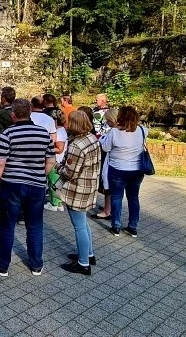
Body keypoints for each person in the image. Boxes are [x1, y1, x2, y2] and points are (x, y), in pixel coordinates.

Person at [0, 99, 55, 277]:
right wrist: (39, 175)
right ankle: (36, 264)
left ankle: (2, 264)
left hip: (12, 185)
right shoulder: (43, 133)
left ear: (13, 115)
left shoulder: (8, 133)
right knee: (35, 225)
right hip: (37, 186)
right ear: (30, 113)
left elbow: (0, 163)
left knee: (7, 225)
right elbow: (51, 160)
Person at [57, 110, 102, 275]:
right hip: (89, 185)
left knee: (79, 227)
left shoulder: (77, 145)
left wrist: (58, 166)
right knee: (83, 223)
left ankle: (83, 264)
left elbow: (70, 172)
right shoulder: (91, 138)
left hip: (77, 189)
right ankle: (88, 254)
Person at [101, 106, 147, 237]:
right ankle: (133, 226)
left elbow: (105, 147)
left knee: (116, 197)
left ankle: (116, 226)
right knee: (133, 198)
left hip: (117, 169)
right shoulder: (143, 130)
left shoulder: (114, 132)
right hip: (137, 170)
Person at [30, 97, 66, 212]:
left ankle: (51, 202)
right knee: (43, 179)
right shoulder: (48, 120)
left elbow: (58, 146)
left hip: (29, 152)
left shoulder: (29, 116)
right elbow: (53, 140)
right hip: (44, 154)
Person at [91, 108, 118, 219]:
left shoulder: (114, 131)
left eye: (107, 120)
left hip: (111, 162)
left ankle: (107, 211)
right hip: (118, 164)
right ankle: (109, 208)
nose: (106, 122)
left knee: (108, 187)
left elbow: (106, 147)